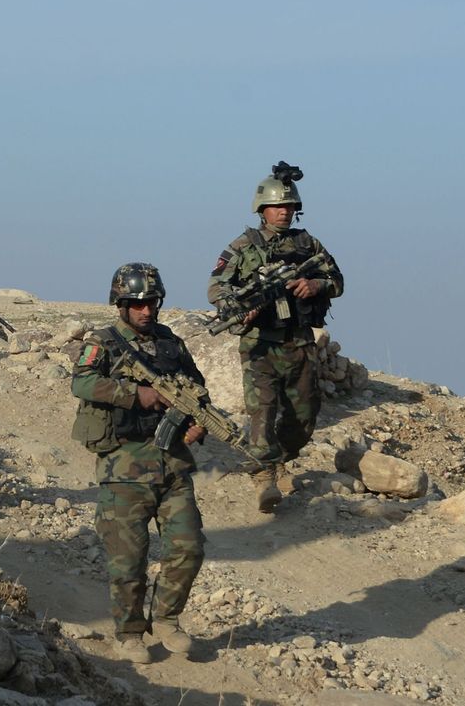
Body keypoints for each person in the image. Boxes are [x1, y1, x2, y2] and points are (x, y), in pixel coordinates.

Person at [72, 262, 209, 665]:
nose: (146, 310)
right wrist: (136, 394)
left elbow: (198, 388)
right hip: (124, 467)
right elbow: (82, 381)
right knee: (128, 559)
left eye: (151, 302)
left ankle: (166, 619)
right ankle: (129, 632)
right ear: (121, 304)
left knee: (189, 547)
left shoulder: (171, 343)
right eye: (137, 303)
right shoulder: (104, 342)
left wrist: (198, 421)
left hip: (173, 465)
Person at [207, 162, 344, 513]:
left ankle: (280, 459)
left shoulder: (308, 244)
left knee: (304, 415)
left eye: (289, 206)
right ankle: (263, 476)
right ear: (262, 209)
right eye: (277, 206)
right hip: (260, 344)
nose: (284, 212)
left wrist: (315, 285)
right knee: (262, 412)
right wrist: (239, 307)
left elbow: (337, 281)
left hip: (299, 341)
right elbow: (216, 288)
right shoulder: (242, 246)